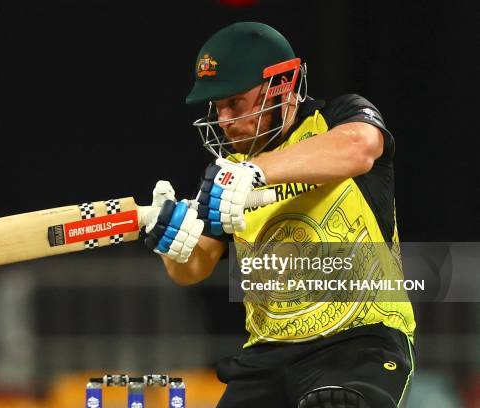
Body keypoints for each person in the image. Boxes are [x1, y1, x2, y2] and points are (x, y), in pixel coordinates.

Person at [144, 22, 416, 407]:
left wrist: (256, 173)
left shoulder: (338, 117)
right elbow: (192, 268)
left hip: (360, 344)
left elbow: (359, 147)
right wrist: (172, 241)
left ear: (282, 85)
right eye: (218, 107)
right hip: (267, 355)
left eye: (235, 103)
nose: (223, 120)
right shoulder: (232, 168)